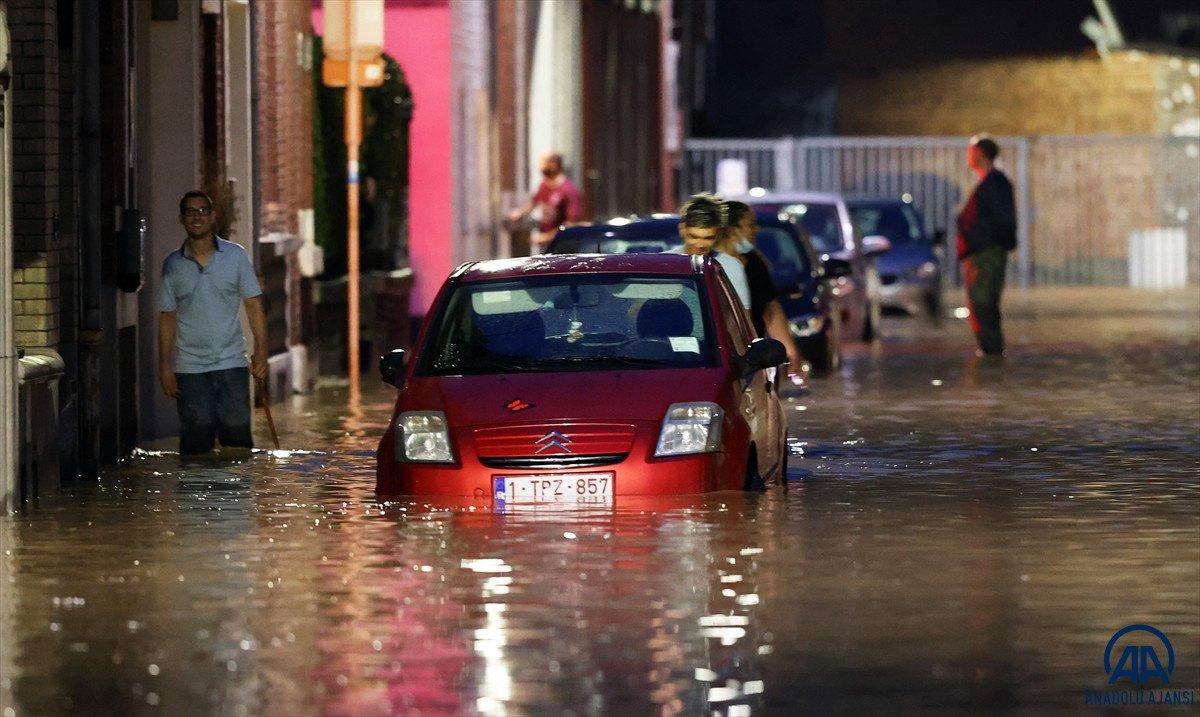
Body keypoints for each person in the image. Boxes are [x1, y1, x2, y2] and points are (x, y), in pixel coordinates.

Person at [158, 191, 269, 455]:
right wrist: (164, 366)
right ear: (181, 219)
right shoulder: (172, 265)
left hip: (231, 362)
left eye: (202, 211)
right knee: (196, 438)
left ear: (212, 216)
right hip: (189, 367)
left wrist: (262, 352)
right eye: (190, 212)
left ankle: (237, 496)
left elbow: (253, 306)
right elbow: (167, 317)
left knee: (236, 437)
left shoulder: (235, 256)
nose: (197, 217)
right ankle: (197, 494)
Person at [722, 200, 804, 378]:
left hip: (753, 358)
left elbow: (770, 310)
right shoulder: (710, 264)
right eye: (750, 225)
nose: (756, 230)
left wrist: (790, 352)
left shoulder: (754, 264)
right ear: (730, 229)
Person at [956, 135, 1016, 356]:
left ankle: (992, 353)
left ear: (979, 154)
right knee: (981, 305)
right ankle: (990, 352)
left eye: (971, 151)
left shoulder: (995, 184)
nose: (968, 156)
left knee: (983, 304)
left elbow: (1002, 220)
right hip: (981, 254)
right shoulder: (990, 183)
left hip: (985, 255)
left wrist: (984, 246)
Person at [671, 193, 751, 310]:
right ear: (682, 230)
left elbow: (742, 320)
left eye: (708, 238)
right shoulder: (665, 263)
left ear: (718, 235)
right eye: (693, 236)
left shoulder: (731, 268)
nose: (700, 245)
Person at [508, 152, 583, 253]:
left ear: (554, 165)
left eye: (543, 162)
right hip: (547, 246)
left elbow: (571, 224)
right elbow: (534, 202)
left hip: (563, 246)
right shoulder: (544, 185)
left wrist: (546, 237)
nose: (540, 166)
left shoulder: (568, 190)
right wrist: (520, 212)